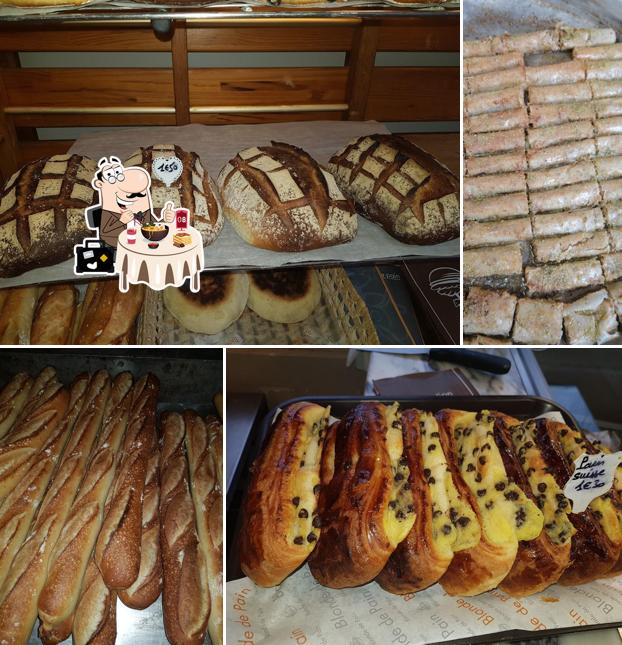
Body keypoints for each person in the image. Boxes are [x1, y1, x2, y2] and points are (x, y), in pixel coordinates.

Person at [85, 156, 175, 248]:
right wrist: (121, 221)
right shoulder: (110, 213)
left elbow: (154, 227)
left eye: (140, 194)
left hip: (142, 243)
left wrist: (165, 221)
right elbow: (105, 233)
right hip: (118, 245)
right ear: (100, 184)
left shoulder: (144, 212)